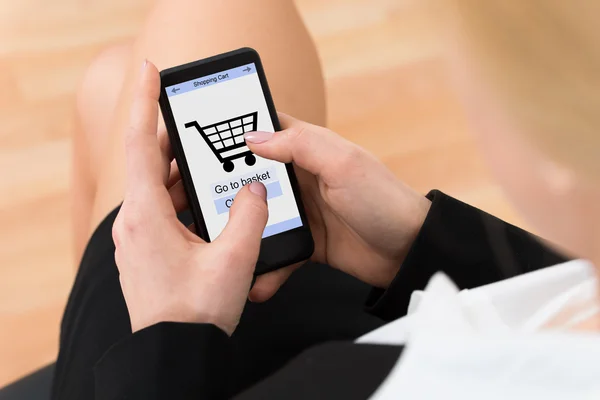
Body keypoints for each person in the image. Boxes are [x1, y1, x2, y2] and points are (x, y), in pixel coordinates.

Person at [52, 0, 600, 399]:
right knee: (108, 86)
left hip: (180, 371)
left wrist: (169, 335)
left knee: (126, 84)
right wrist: (416, 243)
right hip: (395, 316)